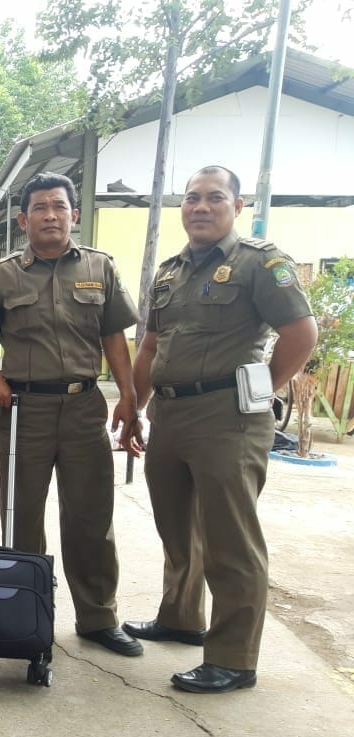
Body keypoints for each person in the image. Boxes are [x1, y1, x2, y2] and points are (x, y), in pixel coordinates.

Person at [127, 165, 317, 693]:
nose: (201, 207)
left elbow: (301, 333)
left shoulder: (259, 263)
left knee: (230, 540)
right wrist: (133, 406)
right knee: (177, 526)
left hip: (227, 418)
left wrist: (262, 392)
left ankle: (233, 657)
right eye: (192, 199)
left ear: (237, 206)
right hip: (170, 414)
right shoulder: (170, 272)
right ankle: (181, 616)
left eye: (214, 198)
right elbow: (150, 345)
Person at [0, 172, 143, 657]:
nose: (50, 216)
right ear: (23, 220)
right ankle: (27, 614)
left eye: (59, 207)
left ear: (74, 214)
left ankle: (98, 617)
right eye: (40, 208)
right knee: (22, 517)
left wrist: (128, 397)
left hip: (85, 406)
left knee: (90, 515)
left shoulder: (99, 268)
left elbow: (115, 338)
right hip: (24, 409)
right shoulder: (2, 275)